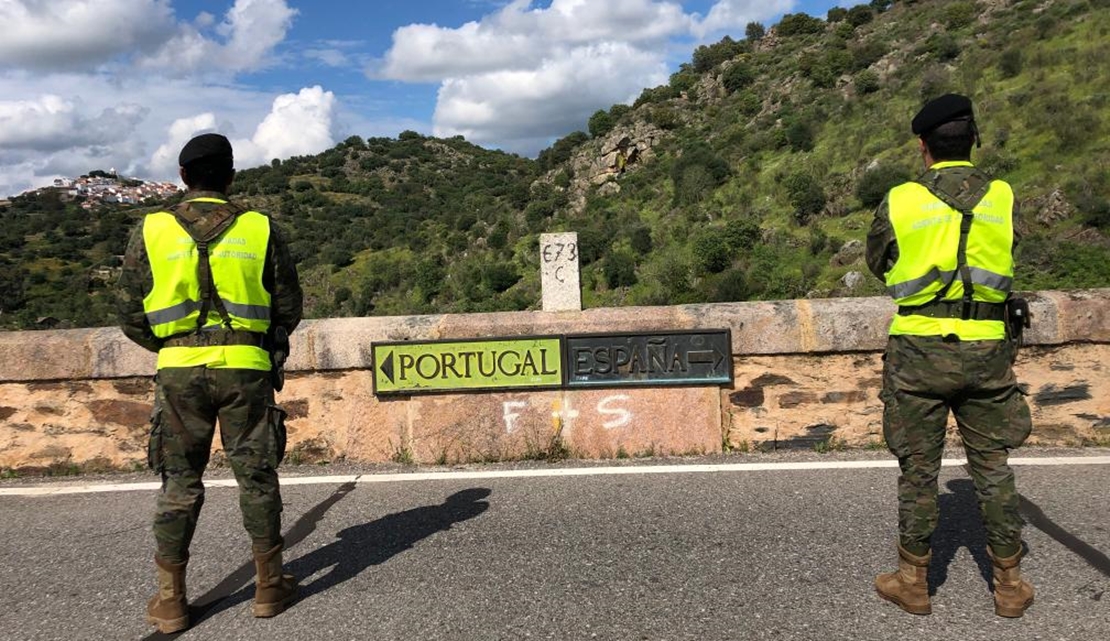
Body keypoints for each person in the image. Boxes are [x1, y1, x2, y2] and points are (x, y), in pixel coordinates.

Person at [116, 133, 304, 633]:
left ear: (183, 177)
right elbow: (288, 306)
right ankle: (268, 586)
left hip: (179, 371)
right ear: (231, 174)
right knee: (257, 476)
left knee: (179, 481)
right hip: (246, 366)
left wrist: (172, 348)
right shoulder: (260, 227)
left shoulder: (152, 228)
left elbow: (129, 312)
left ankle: (171, 600)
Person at [866, 94, 1035, 618]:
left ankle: (913, 583)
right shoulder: (1003, 195)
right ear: (973, 139)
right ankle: (1008, 587)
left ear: (924, 147)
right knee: (994, 467)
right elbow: (1013, 252)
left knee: (918, 470)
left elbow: (878, 261)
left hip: (918, 351)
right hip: (988, 351)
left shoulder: (900, 200)